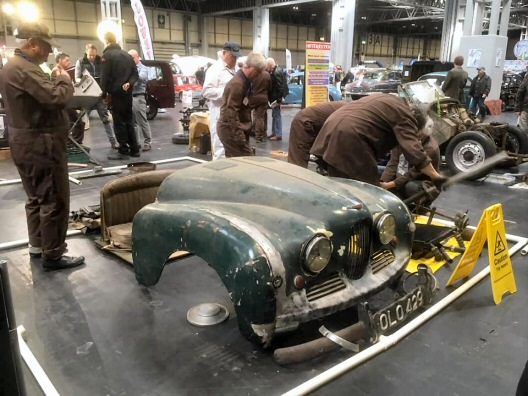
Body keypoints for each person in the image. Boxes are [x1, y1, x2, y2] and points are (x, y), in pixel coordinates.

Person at [0, 22, 85, 270]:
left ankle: (37, 245)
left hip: (25, 142)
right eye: (46, 47)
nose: (48, 53)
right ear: (32, 43)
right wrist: (63, 79)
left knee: (36, 197)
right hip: (41, 144)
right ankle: (53, 253)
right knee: (53, 199)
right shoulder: (25, 69)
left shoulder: (12, 68)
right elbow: (56, 97)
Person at [310, 94, 443, 186]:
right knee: (367, 192)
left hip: (330, 130)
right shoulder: (406, 117)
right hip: (352, 139)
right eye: (416, 134)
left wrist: (383, 182)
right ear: (415, 125)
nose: (417, 138)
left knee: (341, 186)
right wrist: (436, 176)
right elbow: (415, 152)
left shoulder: (390, 100)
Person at [380, 120, 441, 206]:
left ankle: (422, 203)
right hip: (402, 175)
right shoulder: (401, 137)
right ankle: (396, 195)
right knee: (375, 171)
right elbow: (393, 163)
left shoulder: (430, 148)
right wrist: (382, 183)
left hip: (421, 180)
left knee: (412, 187)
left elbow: (412, 174)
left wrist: (389, 185)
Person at [217, 52, 267, 157]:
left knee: (236, 163)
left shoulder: (245, 82)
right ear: (249, 66)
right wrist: (239, 136)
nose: (259, 74)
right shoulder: (237, 84)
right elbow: (231, 112)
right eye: (257, 71)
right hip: (230, 130)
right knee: (246, 162)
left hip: (236, 129)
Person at [101, 32, 139, 160]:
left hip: (116, 93)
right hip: (127, 93)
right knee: (129, 120)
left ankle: (123, 149)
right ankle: (134, 149)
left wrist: (104, 93)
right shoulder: (127, 56)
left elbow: (105, 76)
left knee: (118, 121)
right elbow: (135, 74)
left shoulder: (107, 55)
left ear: (106, 40)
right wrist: (129, 83)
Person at [202, 41, 241, 160]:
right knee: (220, 144)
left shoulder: (236, 68)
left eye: (236, 56)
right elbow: (206, 91)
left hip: (234, 112)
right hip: (218, 111)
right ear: (224, 53)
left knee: (233, 143)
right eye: (232, 56)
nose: (235, 59)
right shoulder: (214, 70)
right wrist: (227, 91)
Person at [75, 43, 117, 148]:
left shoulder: (101, 61)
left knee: (106, 119)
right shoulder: (80, 62)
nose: (92, 57)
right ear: (86, 52)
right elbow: (77, 78)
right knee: (83, 121)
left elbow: (106, 75)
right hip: (87, 96)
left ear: (96, 53)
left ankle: (113, 142)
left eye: (93, 55)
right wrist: (85, 82)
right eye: (90, 55)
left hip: (99, 96)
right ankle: (78, 144)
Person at [287, 101, 348, 167]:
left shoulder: (350, 109)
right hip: (304, 121)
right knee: (298, 163)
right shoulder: (349, 112)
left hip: (317, 124)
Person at [128, 49, 152, 152]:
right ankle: (136, 142)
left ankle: (147, 142)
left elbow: (141, 77)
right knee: (132, 122)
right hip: (129, 97)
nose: (130, 60)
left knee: (142, 121)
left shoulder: (143, 68)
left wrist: (131, 76)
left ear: (137, 57)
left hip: (139, 97)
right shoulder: (129, 68)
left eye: (132, 58)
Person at [267, 58, 288, 141]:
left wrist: (279, 99)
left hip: (276, 98)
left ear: (269, 64)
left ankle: (278, 134)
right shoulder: (277, 71)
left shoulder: (276, 72)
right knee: (275, 114)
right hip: (276, 97)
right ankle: (275, 132)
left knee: (276, 115)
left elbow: (280, 87)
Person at [249, 66, 271, 143]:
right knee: (260, 117)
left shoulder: (253, 73)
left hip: (253, 97)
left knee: (250, 115)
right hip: (263, 97)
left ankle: (249, 131)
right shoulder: (267, 74)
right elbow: (269, 87)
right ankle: (259, 136)